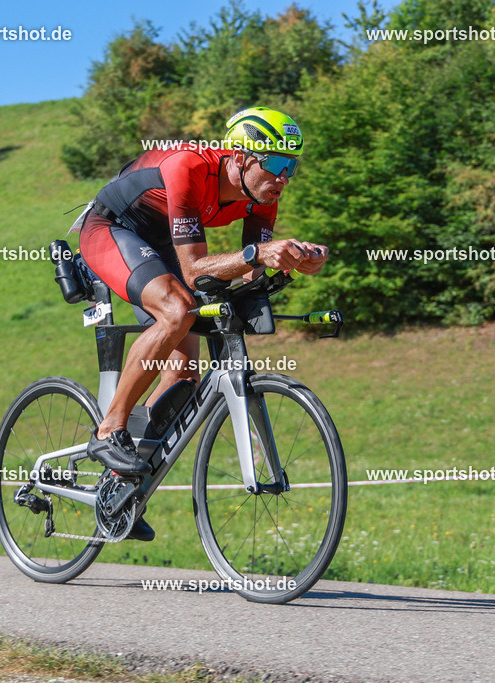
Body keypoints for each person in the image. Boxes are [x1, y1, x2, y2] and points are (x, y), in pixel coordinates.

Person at [78, 107, 328, 540]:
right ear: (240, 157)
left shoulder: (264, 194)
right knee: (178, 310)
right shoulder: (189, 166)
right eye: (276, 164)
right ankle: (108, 429)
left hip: (167, 243)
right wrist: (256, 256)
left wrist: (292, 262)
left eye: (292, 166)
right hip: (113, 229)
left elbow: (252, 271)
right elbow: (195, 271)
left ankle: (121, 488)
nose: (284, 177)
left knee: (184, 374)